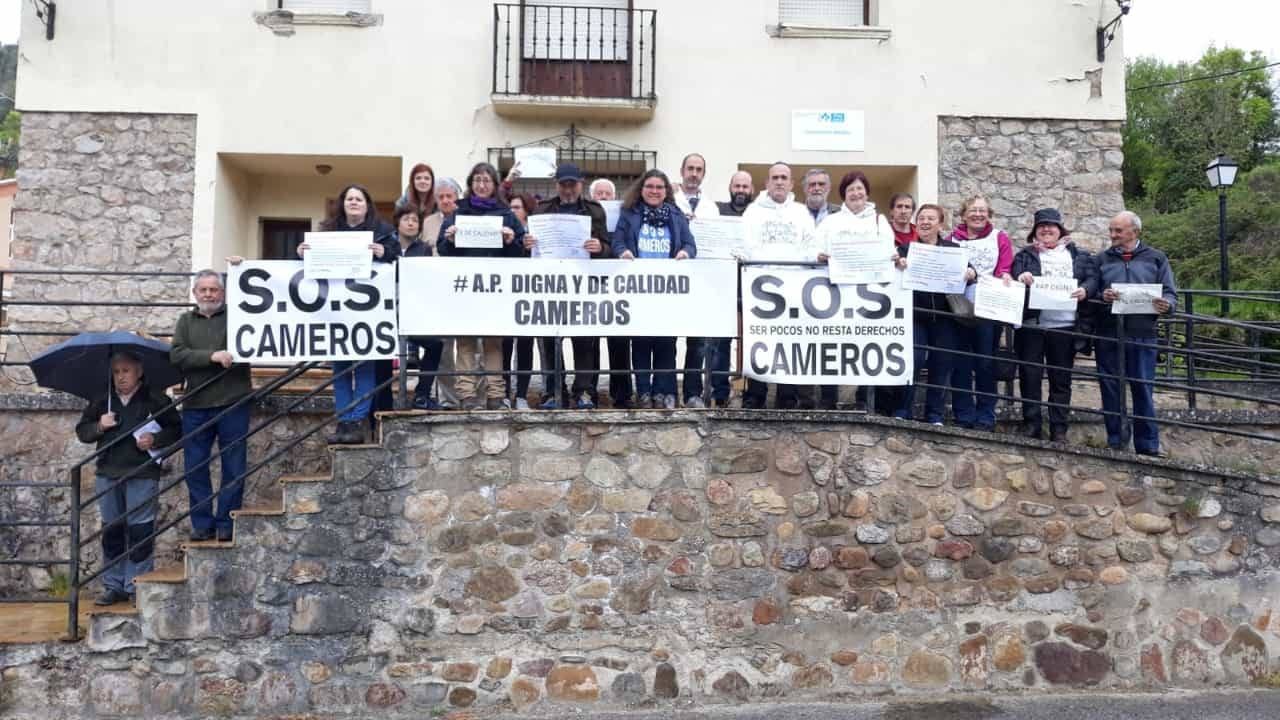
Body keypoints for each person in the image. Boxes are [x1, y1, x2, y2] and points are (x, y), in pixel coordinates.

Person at [76, 351, 181, 604]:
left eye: (126, 371)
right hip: (108, 472)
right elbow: (82, 431)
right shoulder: (102, 400)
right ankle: (114, 586)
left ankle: (137, 585)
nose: (121, 377)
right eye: (116, 372)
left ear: (139, 372)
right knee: (112, 531)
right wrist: (100, 426)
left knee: (140, 530)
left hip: (142, 472)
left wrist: (155, 440)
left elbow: (177, 429)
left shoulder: (156, 399)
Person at [298, 184, 400, 442]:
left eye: (359, 199)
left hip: (366, 313)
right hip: (334, 312)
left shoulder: (383, 231)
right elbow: (309, 264)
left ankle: (357, 422)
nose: (354, 202)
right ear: (342, 204)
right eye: (349, 199)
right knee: (341, 370)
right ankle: (344, 422)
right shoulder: (327, 231)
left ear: (367, 204)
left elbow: (398, 259)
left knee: (365, 367)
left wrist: (384, 252)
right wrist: (300, 253)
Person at [170, 269, 253, 541]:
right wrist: (212, 357)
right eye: (203, 289)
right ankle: (203, 524)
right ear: (195, 293)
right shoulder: (185, 321)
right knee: (194, 467)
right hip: (196, 404)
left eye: (213, 289)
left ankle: (226, 523)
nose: (208, 294)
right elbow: (178, 355)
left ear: (223, 292)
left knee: (234, 467)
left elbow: (249, 345)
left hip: (233, 402)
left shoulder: (238, 317)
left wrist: (242, 267)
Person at [438, 162, 526, 410]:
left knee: (493, 342)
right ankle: (466, 395)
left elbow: (522, 253)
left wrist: (511, 240)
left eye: (486, 180)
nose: (481, 184)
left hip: (496, 288)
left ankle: (495, 396)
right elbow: (444, 251)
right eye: (477, 180)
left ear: (495, 185)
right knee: (465, 342)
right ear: (470, 184)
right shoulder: (457, 213)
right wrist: (449, 239)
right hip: (466, 288)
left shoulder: (506, 214)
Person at [527, 164, 611, 409]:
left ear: (580, 184)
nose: (568, 189)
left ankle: (585, 391)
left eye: (572, 184)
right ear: (557, 184)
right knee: (550, 339)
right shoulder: (542, 209)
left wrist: (600, 248)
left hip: (583, 283)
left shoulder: (595, 211)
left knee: (584, 340)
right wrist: (528, 242)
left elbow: (608, 247)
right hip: (550, 285)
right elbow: (532, 251)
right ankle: (554, 391)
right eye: (563, 184)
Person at [1093, 210, 1176, 456]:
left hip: (1143, 333)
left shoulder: (1157, 258)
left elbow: (1171, 293)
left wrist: (1167, 305)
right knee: (1110, 388)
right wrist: (1102, 296)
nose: (1113, 235)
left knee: (1142, 388)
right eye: (1111, 230)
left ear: (1134, 232)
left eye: (1118, 230)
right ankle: (1117, 441)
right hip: (1109, 332)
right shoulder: (1101, 259)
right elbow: (1091, 291)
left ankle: (1148, 445)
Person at [1011, 208, 1097, 442]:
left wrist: (1086, 290)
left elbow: (1092, 277)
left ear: (1060, 230)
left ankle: (1059, 428)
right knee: (1030, 376)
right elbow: (1015, 272)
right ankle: (1032, 424)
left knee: (1061, 379)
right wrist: (1022, 277)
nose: (1046, 230)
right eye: (1042, 226)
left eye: (1051, 226)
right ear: (1035, 231)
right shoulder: (1025, 255)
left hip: (1065, 327)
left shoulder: (1079, 255)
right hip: (1033, 325)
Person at [613, 169, 696, 409]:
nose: (654, 191)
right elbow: (618, 241)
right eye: (650, 186)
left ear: (666, 191)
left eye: (660, 187)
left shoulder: (676, 215)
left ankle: (664, 392)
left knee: (666, 342)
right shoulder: (629, 214)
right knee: (640, 343)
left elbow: (691, 244)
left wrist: (685, 253)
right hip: (638, 290)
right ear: (642, 189)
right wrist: (622, 252)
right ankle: (644, 392)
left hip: (667, 291)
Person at [816, 171, 898, 411]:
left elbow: (888, 251)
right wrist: (818, 255)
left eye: (860, 188)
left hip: (868, 296)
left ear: (867, 192)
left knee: (866, 343)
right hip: (836, 293)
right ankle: (828, 398)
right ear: (844, 194)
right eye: (851, 189)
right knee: (831, 346)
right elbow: (816, 247)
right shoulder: (831, 222)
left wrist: (893, 258)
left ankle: (864, 397)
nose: (856, 193)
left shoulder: (879, 221)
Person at [740, 162, 819, 410]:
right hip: (761, 289)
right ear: (766, 183)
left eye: (784, 177)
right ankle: (754, 396)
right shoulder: (753, 212)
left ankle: (786, 397)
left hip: (793, 290)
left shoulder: (800, 213)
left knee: (788, 344)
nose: (779, 182)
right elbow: (745, 246)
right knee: (758, 344)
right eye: (775, 177)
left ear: (792, 183)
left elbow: (810, 246)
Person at [892, 204, 973, 424]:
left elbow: (972, 272)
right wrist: (898, 264)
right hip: (915, 315)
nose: (925, 222)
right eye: (921, 219)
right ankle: (903, 410)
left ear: (941, 224)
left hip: (945, 318)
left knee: (942, 363)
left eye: (930, 218)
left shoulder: (953, 249)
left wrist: (970, 272)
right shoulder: (906, 249)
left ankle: (934, 414)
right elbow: (891, 270)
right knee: (913, 361)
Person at [947, 194, 1014, 431]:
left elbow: (1005, 266)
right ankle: (963, 414)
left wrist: (1005, 275)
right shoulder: (952, 239)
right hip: (959, 306)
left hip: (989, 305)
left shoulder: (999, 237)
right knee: (961, 361)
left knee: (985, 361)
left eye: (982, 210)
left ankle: (986, 415)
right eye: (973, 210)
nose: (978, 214)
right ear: (964, 215)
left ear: (989, 214)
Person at [395, 205, 446, 411]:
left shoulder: (424, 249)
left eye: (415, 220)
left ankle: (421, 395)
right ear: (397, 223)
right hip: (385, 313)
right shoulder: (387, 247)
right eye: (406, 219)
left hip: (411, 312)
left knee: (436, 345)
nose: (410, 223)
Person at [590, 177, 633, 409]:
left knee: (619, 341)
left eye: (607, 193)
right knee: (591, 342)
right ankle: (590, 391)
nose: (604, 197)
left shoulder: (621, 216)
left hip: (618, 284)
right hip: (591, 284)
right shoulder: (586, 215)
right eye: (599, 193)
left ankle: (622, 393)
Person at [431, 178, 463, 410]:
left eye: (449, 196)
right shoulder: (428, 222)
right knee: (443, 348)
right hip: (438, 289)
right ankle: (449, 399)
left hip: (467, 288)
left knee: (474, 346)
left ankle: (474, 396)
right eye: (440, 197)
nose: (445, 200)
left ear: (457, 197)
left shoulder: (468, 218)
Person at [504, 192, 538, 410]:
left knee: (525, 346)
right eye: (511, 207)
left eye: (517, 207)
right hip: (508, 293)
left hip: (531, 294)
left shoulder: (537, 231)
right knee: (506, 346)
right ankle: (506, 393)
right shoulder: (505, 232)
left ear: (526, 210)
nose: (513, 211)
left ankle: (522, 394)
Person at [672, 153, 716, 220]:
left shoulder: (711, 208)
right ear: (681, 171)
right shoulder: (668, 199)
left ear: (703, 174)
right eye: (690, 168)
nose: (694, 174)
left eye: (699, 170)